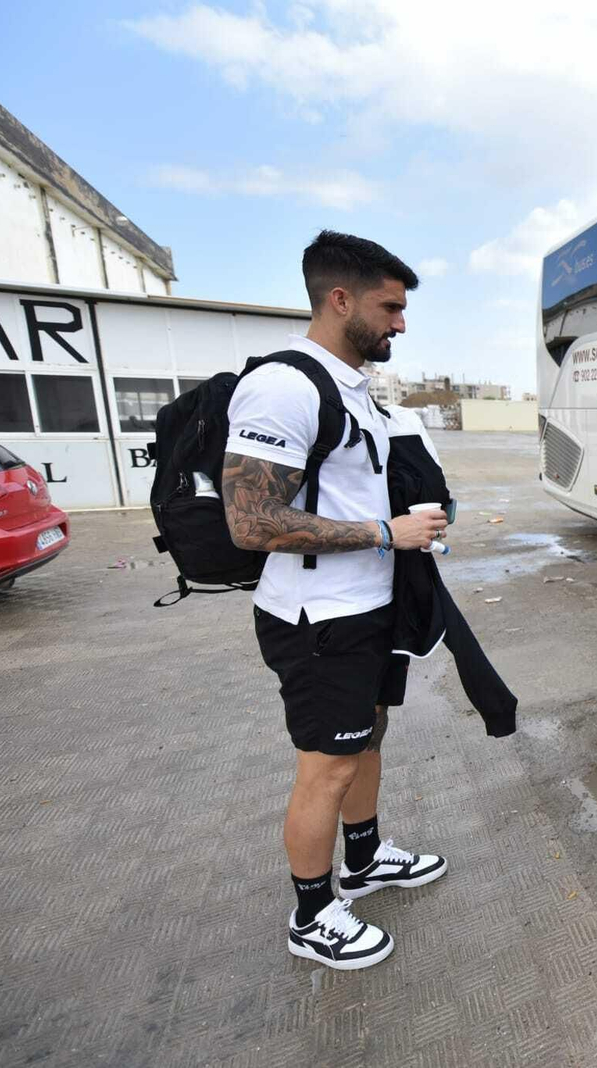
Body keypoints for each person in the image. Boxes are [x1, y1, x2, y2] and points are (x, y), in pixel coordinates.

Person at [223, 230, 448, 970]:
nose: (401, 324)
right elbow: (250, 521)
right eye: (391, 307)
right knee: (327, 767)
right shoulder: (284, 385)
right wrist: (387, 532)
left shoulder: (352, 385)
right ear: (339, 298)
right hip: (318, 622)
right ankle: (313, 913)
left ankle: (364, 856)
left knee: (367, 741)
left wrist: (414, 524)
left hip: (367, 607)